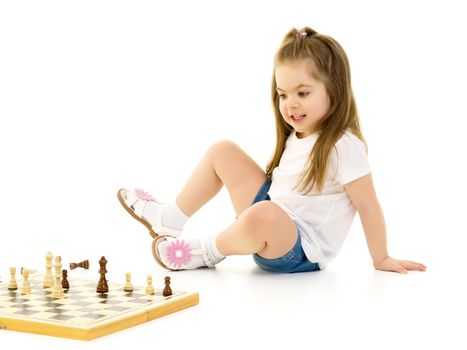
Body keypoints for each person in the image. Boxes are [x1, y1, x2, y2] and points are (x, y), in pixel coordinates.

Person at [117, 27, 426, 274]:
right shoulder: (299, 133)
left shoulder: (343, 145)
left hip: (298, 249)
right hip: (269, 216)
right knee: (223, 151)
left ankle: (204, 251)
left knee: (264, 214)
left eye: (303, 93)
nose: (290, 104)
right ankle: (169, 218)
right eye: (282, 94)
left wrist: (381, 257)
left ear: (334, 89)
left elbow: (368, 206)